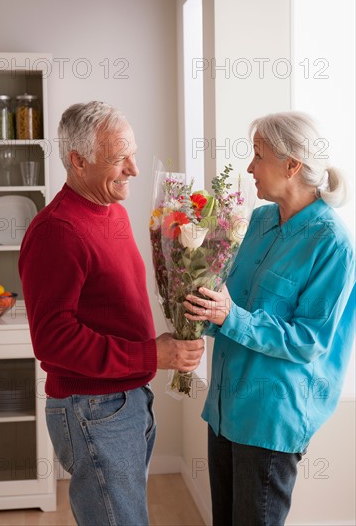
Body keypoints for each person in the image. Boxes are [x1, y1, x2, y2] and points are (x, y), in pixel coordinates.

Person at [19, 101, 204, 526]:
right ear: (78, 161)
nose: (134, 169)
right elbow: (53, 338)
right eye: (119, 159)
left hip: (127, 400)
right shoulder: (57, 232)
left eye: (133, 154)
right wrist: (151, 356)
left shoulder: (113, 212)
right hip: (93, 406)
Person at [183, 112, 355, 526]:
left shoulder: (331, 242)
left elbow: (308, 340)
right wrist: (193, 308)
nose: (249, 168)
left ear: (292, 165)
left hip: (269, 421)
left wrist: (229, 316)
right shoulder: (259, 221)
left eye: (257, 156)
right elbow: (229, 302)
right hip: (223, 411)